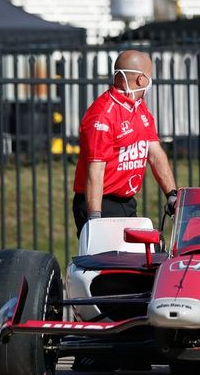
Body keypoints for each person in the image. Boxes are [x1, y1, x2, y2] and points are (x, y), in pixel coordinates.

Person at [72, 50, 178, 237]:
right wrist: (95, 218)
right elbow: (95, 170)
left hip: (126, 201)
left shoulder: (139, 107)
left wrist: (172, 194)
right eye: (149, 76)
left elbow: (155, 154)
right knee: (108, 263)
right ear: (140, 79)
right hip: (101, 202)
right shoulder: (103, 115)